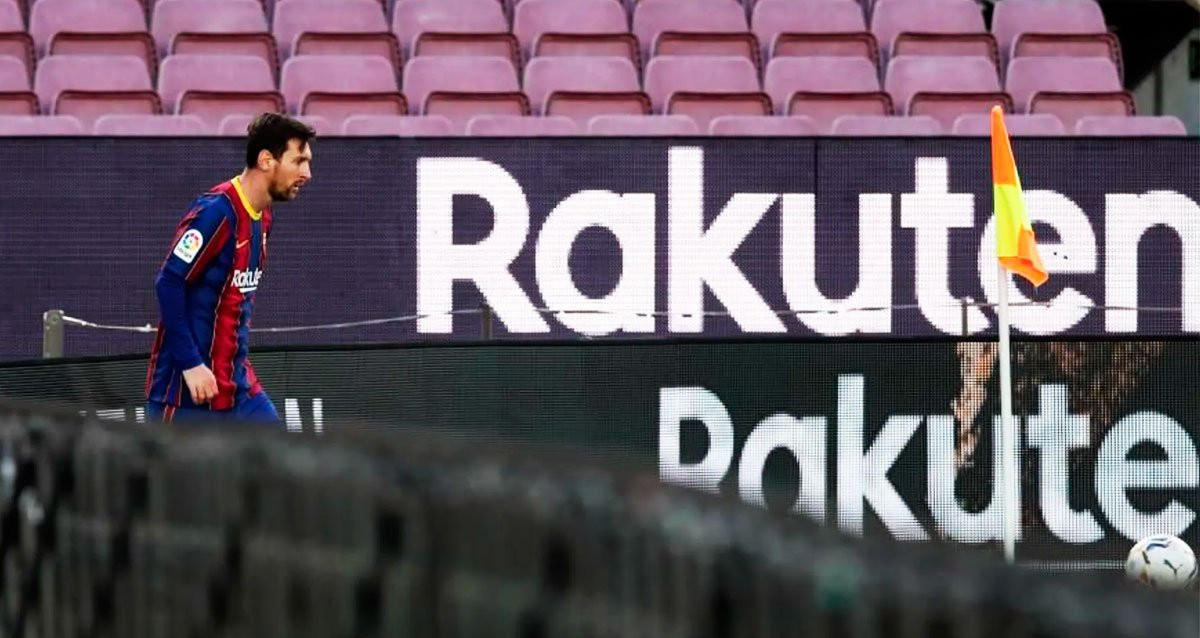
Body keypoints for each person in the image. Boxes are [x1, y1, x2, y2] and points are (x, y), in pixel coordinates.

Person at [144, 113, 314, 424]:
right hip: (188, 395)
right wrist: (192, 365)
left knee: (286, 468)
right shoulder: (215, 213)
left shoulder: (263, 217)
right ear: (266, 160)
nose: (307, 173)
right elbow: (168, 283)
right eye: (299, 161)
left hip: (239, 389)